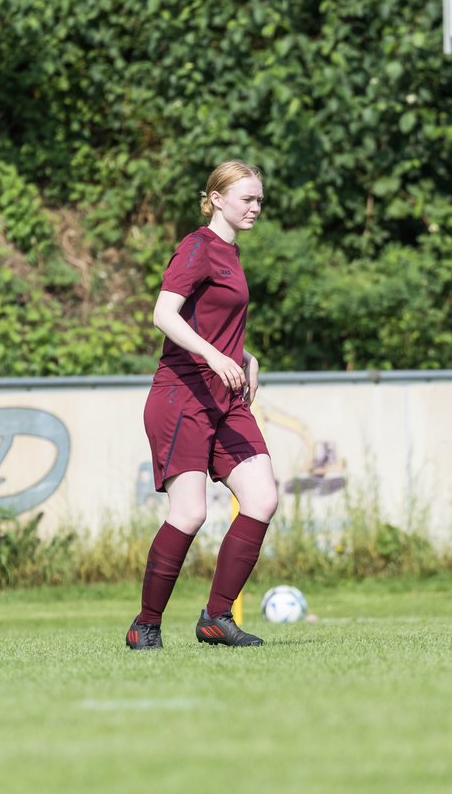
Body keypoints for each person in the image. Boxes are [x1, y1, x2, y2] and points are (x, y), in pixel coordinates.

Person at [126, 160, 279, 650]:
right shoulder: (198, 247)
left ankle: (217, 617)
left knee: (262, 499)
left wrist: (246, 356)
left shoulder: (232, 254)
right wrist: (215, 356)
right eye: (246, 198)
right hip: (183, 393)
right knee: (189, 514)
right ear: (216, 199)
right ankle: (145, 624)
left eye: (258, 199)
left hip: (226, 397)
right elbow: (163, 315)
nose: (255, 207)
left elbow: (215, 324)